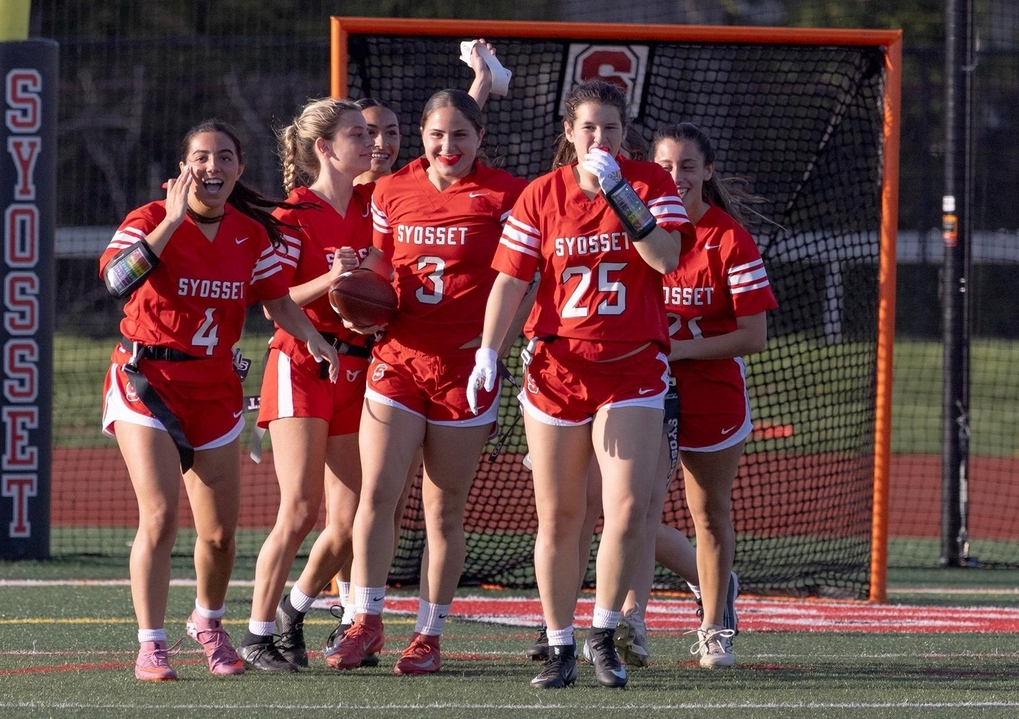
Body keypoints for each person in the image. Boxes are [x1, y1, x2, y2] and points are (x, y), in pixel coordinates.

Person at [470, 80, 692, 689]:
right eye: (589, 127)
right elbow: (510, 281)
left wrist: (622, 194)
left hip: (631, 366)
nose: (600, 138)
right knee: (560, 515)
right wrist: (489, 349)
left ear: (625, 134)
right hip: (557, 367)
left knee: (624, 509)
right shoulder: (542, 194)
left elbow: (667, 258)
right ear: (569, 133)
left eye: (612, 128)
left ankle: (603, 636)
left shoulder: (649, 183)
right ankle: (560, 642)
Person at [99, 119, 339, 681]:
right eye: (202, 158)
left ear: (240, 169)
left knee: (221, 534)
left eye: (225, 158)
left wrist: (316, 340)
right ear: (185, 167)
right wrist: (174, 221)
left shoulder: (249, 234)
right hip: (147, 384)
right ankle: (151, 643)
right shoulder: (150, 219)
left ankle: (208, 623)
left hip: (215, 390)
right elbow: (116, 279)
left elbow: (277, 303)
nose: (213, 168)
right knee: (159, 517)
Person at [325, 87, 528, 676]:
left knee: (443, 510)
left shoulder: (506, 195)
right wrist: (355, 294)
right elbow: (383, 264)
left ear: (480, 139)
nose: (448, 145)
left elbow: (525, 279)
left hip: (464, 367)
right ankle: (363, 619)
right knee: (377, 494)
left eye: (461, 135)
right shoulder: (390, 188)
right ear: (422, 136)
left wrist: (498, 345)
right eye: (438, 134)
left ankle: (429, 634)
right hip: (399, 358)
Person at [236, 98, 378, 672]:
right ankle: (255, 631)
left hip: (358, 366)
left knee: (350, 520)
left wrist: (480, 86)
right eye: (356, 135)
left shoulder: (375, 206)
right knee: (298, 509)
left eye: (370, 134)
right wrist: (334, 278)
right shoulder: (294, 213)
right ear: (323, 147)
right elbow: (274, 302)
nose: (369, 143)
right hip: (302, 362)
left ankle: (294, 610)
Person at [649, 121, 777, 668]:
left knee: (709, 511)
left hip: (712, 392)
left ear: (707, 172)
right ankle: (629, 622)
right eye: (664, 167)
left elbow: (754, 335)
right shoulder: (633, 231)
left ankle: (715, 623)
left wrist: (678, 351)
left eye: (686, 166)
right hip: (640, 391)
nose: (675, 177)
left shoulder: (728, 238)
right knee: (620, 511)